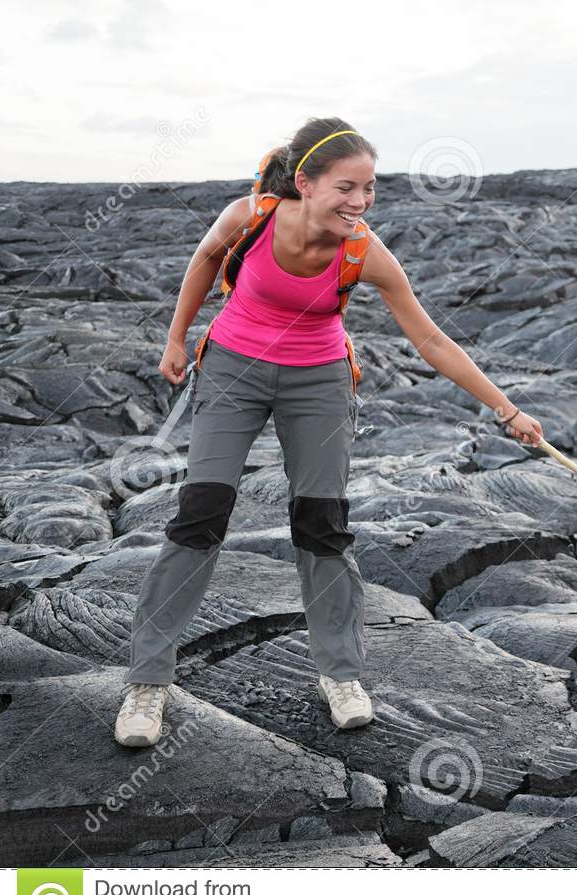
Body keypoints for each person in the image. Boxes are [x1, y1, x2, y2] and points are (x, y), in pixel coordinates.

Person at [115, 117, 543, 747]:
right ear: (306, 183)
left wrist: (507, 409)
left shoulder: (364, 252)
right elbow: (205, 261)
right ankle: (147, 682)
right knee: (200, 512)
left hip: (318, 382)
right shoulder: (250, 216)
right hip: (233, 371)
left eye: (369, 189)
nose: (360, 202)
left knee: (322, 524)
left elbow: (428, 338)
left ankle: (339, 676)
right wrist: (177, 338)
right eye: (348, 187)